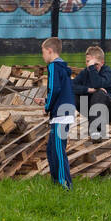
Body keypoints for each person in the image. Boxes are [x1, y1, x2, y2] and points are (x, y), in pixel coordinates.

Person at [42, 37, 75, 189]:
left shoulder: (54, 67)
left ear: (50, 51)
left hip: (60, 116)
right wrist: (45, 100)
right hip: (63, 113)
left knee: (58, 151)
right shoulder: (62, 68)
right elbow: (59, 91)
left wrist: (47, 107)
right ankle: (56, 181)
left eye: (43, 52)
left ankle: (65, 184)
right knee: (51, 149)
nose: (43, 57)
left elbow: (54, 89)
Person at [73, 45, 111, 141]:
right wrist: (88, 90)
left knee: (99, 92)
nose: (90, 67)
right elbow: (70, 86)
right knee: (73, 94)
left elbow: (97, 83)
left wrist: (92, 68)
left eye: (95, 64)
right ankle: (60, 124)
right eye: (87, 62)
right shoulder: (85, 72)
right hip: (94, 110)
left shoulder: (107, 72)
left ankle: (96, 132)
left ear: (102, 63)